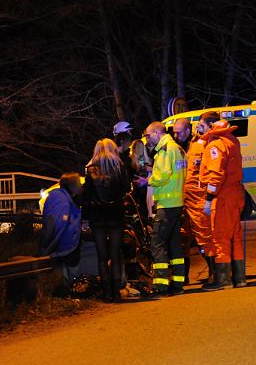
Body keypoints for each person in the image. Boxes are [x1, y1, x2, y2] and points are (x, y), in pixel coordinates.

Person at [137, 121, 187, 296]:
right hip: (177, 202)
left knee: (157, 243)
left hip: (166, 204)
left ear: (157, 133)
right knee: (174, 244)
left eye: (149, 135)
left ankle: (161, 285)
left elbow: (163, 175)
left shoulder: (165, 149)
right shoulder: (177, 149)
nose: (147, 138)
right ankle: (178, 284)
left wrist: (147, 181)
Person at [198, 112, 246, 290]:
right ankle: (239, 278)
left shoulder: (216, 145)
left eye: (201, 125)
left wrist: (209, 197)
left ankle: (223, 279)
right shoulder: (233, 140)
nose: (198, 129)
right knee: (235, 236)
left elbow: (216, 174)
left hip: (223, 196)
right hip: (236, 193)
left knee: (220, 237)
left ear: (212, 127)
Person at [83, 138, 129, 302]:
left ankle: (106, 292)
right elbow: (126, 188)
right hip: (115, 213)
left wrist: (85, 217)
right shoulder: (119, 167)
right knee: (115, 254)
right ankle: (117, 292)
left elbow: (86, 195)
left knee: (102, 256)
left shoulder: (91, 169)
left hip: (97, 215)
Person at [175, 118, 216, 284]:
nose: (176, 135)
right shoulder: (176, 148)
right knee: (182, 238)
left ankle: (215, 272)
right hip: (183, 198)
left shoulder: (200, 144)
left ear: (188, 130)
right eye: (174, 132)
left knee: (204, 236)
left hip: (198, 198)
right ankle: (182, 277)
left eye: (179, 132)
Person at [38, 172, 83, 293]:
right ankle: (70, 288)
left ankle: (68, 287)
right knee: (70, 262)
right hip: (65, 243)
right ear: (73, 186)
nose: (81, 187)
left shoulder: (59, 198)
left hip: (61, 243)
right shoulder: (62, 202)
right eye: (79, 184)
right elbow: (58, 225)